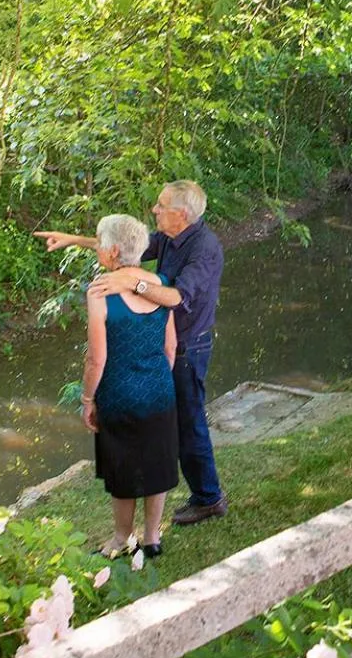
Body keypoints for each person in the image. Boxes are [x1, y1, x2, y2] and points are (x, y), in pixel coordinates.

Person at [34, 180, 228, 526]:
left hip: (189, 347)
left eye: (160, 205)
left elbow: (175, 297)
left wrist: (133, 283)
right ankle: (166, 504)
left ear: (180, 214)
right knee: (168, 424)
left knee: (189, 423)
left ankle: (209, 498)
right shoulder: (169, 236)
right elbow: (123, 247)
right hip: (168, 347)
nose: (154, 209)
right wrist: (73, 240)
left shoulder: (204, 249)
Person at [81, 213, 177, 559]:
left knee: (122, 466)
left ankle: (122, 538)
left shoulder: (99, 292)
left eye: (99, 242)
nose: (97, 248)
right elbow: (170, 348)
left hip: (118, 396)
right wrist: (154, 379)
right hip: (160, 392)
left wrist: (87, 399)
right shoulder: (159, 283)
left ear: (113, 251)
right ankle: (152, 537)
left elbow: (96, 360)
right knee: (156, 461)